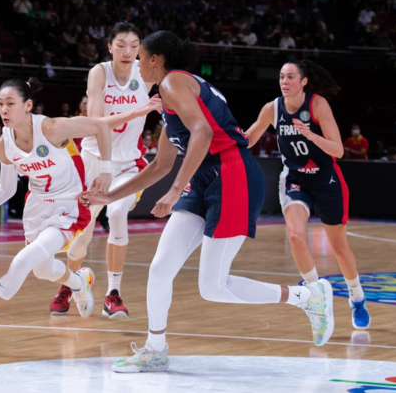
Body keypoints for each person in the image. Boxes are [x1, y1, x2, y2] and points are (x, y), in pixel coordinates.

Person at [83, 31, 335, 373]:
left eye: (141, 56)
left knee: (213, 287)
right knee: (159, 270)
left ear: (156, 59)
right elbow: (161, 163)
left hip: (232, 173)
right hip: (205, 177)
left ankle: (308, 297)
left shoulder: (173, 83)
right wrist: (110, 194)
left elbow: (202, 132)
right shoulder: (172, 91)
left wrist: (175, 191)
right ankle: (155, 348)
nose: (138, 63)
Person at [0, 77, 113, 341]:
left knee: (22, 261)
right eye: (0, 104)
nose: (4, 109)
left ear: (28, 105)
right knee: (42, 270)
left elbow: (101, 127)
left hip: (67, 206)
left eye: (10, 103)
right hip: (36, 208)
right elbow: (6, 189)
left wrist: (105, 171)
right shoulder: (4, 144)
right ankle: (80, 282)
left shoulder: (51, 128)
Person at [246, 59, 371, 332]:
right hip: (294, 178)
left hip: (326, 178)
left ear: (303, 81)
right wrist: (223, 143)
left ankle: (356, 296)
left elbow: (338, 150)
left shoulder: (317, 105)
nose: (284, 81)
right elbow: (250, 137)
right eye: (281, 76)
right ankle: (316, 296)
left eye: (291, 77)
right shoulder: (273, 108)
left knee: (339, 247)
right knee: (294, 235)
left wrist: (311, 135)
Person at [49, 22, 161, 320]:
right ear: (109, 46)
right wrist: (139, 111)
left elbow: (176, 83)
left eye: (134, 45)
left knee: (117, 213)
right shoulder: (99, 72)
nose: (128, 51)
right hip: (92, 160)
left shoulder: (146, 72)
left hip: (128, 165)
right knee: (81, 235)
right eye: (121, 44)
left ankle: (113, 293)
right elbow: (97, 122)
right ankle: (71, 284)